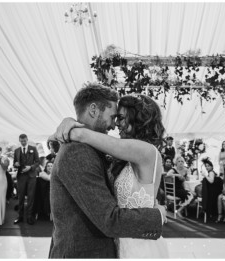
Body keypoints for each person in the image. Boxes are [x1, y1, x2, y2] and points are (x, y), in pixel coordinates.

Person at [48, 87, 166, 258]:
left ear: (138, 119)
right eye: (114, 117)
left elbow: (83, 136)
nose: (115, 124)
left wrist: (70, 128)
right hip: (91, 250)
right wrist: (156, 216)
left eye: (121, 118)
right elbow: (108, 218)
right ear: (94, 109)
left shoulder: (144, 151)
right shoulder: (79, 152)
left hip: (135, 246)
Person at [13, 134, 40, 225]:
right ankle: (20, 216)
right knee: (20, 197)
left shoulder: (33, 148)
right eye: (21, 141)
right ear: (19, 140)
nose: (23, 142)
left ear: (27, 140)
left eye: (24, 141)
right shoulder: (16, 151)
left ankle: (29, 217)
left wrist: (30, 167)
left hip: (31, 176)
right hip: (21, 177)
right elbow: (14, 163)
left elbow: (37, 162)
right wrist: (16, 164)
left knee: (30, 197)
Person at [200, 158, 223, 222]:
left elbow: (211, 181)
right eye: (206, 166)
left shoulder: (211, 172)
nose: (207, 167)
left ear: (212, 166)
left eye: (208, 166)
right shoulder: (212, 172)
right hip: (215, 191)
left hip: (213, 193)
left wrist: (205, 175)